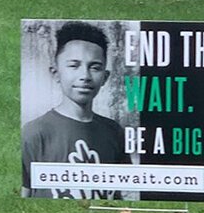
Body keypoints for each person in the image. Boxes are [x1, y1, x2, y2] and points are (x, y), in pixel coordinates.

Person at [21, 21, 129, 198]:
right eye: (74, 66)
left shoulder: (114, 132)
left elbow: (116, 195)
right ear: (55, 73)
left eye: (95, 67)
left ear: (105, 77)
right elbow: (23, 195)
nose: (85, 76)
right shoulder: (34, 133)